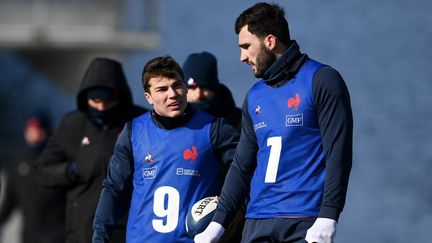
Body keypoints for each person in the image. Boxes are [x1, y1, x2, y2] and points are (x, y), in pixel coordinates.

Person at [195, 2, 353, 243]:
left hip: (305, 221)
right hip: (257, 221)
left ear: (270, 41)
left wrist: (329, 215)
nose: (242, 57)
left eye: (246, 47)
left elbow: (338, 153)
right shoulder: (255, 95)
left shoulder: (322, 80)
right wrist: (217, 224)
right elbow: (241, 166)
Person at [92, 56, 239, 243]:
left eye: (177, 85)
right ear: (149, 97)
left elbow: (243, 174)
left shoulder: (215, 128)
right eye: (162, 89)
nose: (173, 94)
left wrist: (222, 216)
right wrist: (99, 238)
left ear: (185, 88)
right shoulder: (133, 132)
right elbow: (113, 190)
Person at [34, 57, 146, 243]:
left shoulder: (139, 122)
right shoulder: (72, 124)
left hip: (127, 231)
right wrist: (72, 170)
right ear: (86, 97)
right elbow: (42, 170)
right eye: (96, 100)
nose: (101, 107)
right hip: (82, 232)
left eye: (108, 101)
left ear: (120, 96)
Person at [0, 113, 66, 243]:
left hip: (58, 235)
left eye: (39, 131)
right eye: (31, 130)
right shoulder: (18, 163)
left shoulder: (61, 160)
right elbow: (11, 199)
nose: (35, 136)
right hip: (30, 236)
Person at [183, 51, 242, 131]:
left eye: (204, 88)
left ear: (214, 88)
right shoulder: (173, 124)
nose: (198, 95)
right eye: (193, 88)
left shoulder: (239, 121)